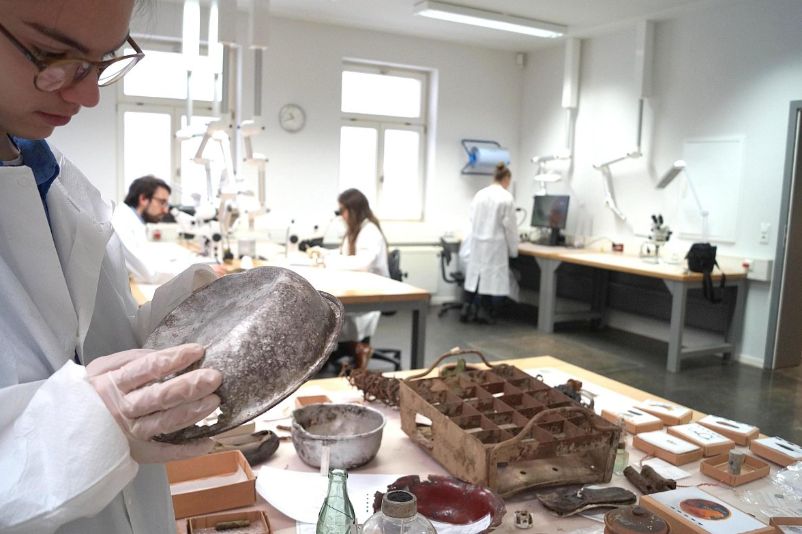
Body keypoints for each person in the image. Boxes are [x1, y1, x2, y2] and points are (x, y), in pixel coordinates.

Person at [0, 2, 225, 533]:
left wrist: (174, 325)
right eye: (53, 55)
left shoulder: (54, 178)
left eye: (103, 60)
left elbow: (84, 348)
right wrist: (79, 435)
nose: (89, 94)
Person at [325, 188, 389, 368]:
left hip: (372, 292)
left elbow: (362, 263)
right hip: (356, 285)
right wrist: (326, 255)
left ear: (353, 210)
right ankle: (351, 348)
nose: (341, 216)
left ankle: (357, 348)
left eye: (342, 211)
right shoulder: (355, 230)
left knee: (334, 313)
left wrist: (332, 261)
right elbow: (344, 255)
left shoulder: (370, 231)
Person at [461, 162, 520, 324]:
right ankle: (483, 312)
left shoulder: (480, 194)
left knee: (477, 277)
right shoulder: (506, 198)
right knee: (491, 279)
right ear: (506, 179)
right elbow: (511, 228)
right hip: (495, 244)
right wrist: (514, 250)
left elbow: (471, 218)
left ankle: (467, 307)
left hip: (478, 242)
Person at [112, 175, 179, 283]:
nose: (165, 210)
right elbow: (149, 274)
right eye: (162, 202)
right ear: (143, 199)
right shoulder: (121, 221)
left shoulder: (131, 219)